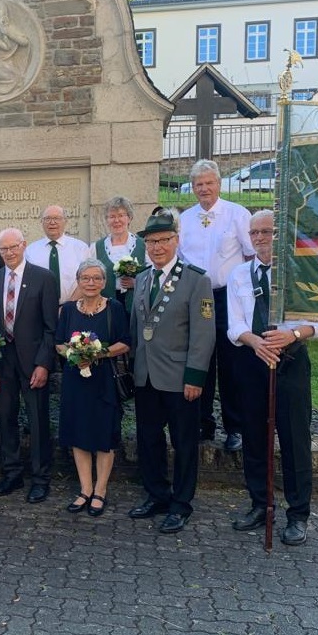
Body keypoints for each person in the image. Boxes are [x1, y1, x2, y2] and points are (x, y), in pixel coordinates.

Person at [226, 210, 318, 545]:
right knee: (255, 438)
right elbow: (234, 325)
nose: (259, 239)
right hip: (253, 362)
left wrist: (293, 334)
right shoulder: (239, 274)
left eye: (266, 232)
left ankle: (298, 514)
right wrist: (253, 341)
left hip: (290, 362)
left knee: (295, 440)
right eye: (253, 233)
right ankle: (260, 504)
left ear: (279, 234)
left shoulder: (300, 271)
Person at [127, 212, 215, 534]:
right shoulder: (141, 278)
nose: (157, 247)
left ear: (176, 240)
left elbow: (204, 334)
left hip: (180, 379)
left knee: (184, 443)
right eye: (151, 242)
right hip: (146, 376)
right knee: (149, 440)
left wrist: (195, 377)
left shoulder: (196, 279)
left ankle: (181, 504)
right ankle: (157, 495)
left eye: (164, 240)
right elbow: (137, 328)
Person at [178, 159, 255, 452]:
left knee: (232, 363)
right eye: (199, 184)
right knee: (201, 359)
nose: (204, 189)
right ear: (193, 188)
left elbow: (249, 256)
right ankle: (202, 422)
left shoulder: (237, 214)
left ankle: (235, 427)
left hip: (228, 297)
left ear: (219, 184)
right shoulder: (185, 220)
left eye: (209, 183)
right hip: (197, 298)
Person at [0, 228, 59, 503]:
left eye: (13, 247)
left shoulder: (43, 278)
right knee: (6, 418)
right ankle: (12, 473)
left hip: (34, 362)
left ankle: (40, 478)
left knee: (38, 420)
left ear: (24, 245)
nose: (9, 253)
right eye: (3, 249)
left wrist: (44, 363)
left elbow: (52, 327)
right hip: (3, 361)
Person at [55, 259, 131, 517]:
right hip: (76, 381)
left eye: (96, 278)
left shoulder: (115, 308)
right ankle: (85, 489)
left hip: (104, 381)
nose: (91, 282)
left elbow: (125, 342)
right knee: (79, 434)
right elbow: (59, 343)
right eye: (86, 278)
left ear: (104, 282)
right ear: (78, 281)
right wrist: (75, 353)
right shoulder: (67, 310)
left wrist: (98, 353)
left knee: (103, 436)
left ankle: (100, 490)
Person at [93, 196, 148, 315]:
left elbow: (153, 274)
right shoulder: (96, 247)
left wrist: (136, 282)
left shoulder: (143, 245)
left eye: (121, 215)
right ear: (106, 220)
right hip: (105, 307)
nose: (116, 220)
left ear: (129, 218)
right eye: (112, 216)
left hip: (137, 307)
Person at [25, 205, 90, 304]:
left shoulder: (81, 248)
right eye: (47, 218)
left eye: (57, 218)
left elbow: (87, 279)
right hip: (40, 309)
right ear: (41, 222)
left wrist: (69, 306)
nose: (52, 222)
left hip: (74, 306)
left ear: (65, 221)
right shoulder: (30, 250)